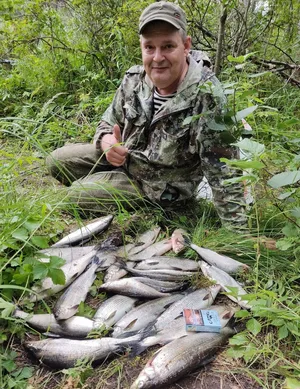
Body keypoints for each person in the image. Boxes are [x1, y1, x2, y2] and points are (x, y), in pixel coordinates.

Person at [46, 1, 248, 231]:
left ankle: (147, 206)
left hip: (156, 187)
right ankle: (106, 180)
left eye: (168, 46)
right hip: (127, 160)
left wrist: (239, 236)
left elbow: (225, 172)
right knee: (55, 161)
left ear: (186, 45)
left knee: (75, 195)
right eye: (149, 47)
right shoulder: (134, 80)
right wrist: (106, 142)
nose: (157, 58)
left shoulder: (208, 96)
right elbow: (108, 121)